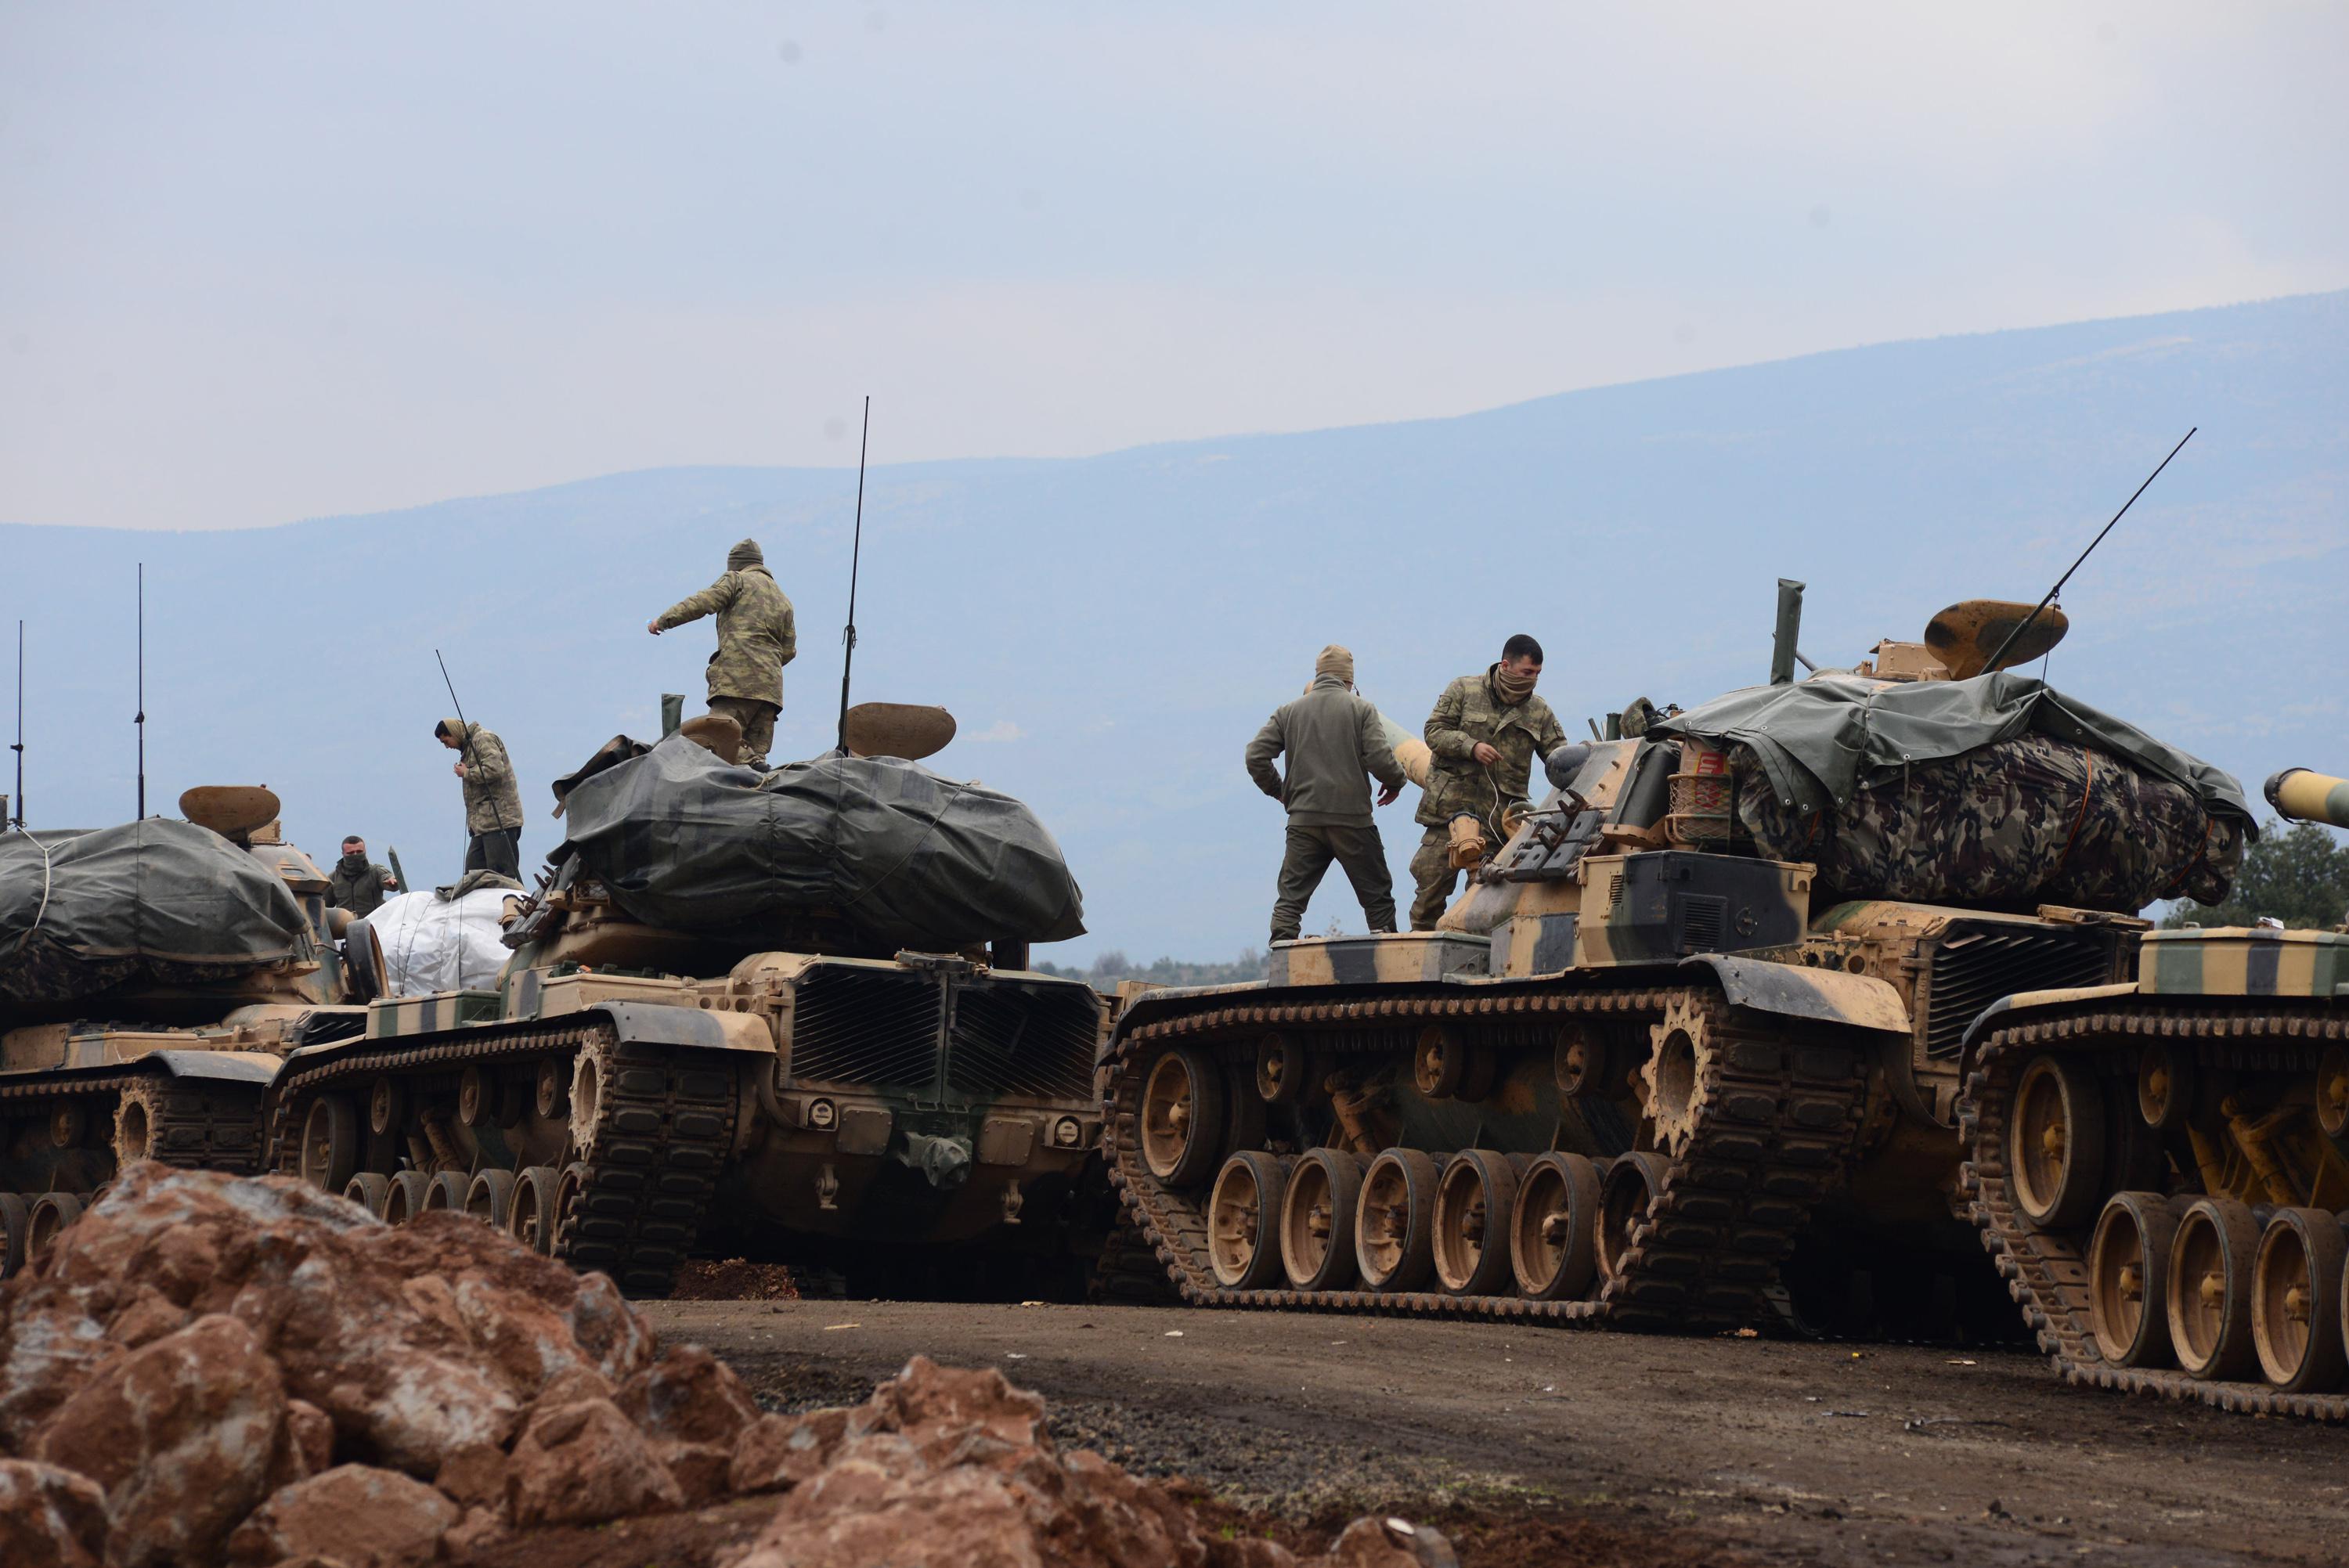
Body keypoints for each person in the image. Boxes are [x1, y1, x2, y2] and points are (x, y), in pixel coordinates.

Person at [1244, 644, 1407, 943]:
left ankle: (1282, 955)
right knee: (1377, 899)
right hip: (1353, 821)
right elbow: (1380, 758)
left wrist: (1280, 791)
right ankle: (1386, 956)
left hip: (1303, 821)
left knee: (1290, 900)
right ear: (1350, 680)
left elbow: (1255, 756)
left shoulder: (1288, 712)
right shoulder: (1362, 709)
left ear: (1318, 675)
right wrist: (1396, 781)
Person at [1409, 633, 1567, 930]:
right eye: (1527, 672)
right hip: (1448, 816)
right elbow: (1434, 732)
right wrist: (1470, 747)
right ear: (1506, 665)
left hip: (1497, 825)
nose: (1533, 680)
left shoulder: (1539, 712)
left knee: (1485, 905)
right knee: (1429, 896)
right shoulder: (1463, 690)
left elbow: (1559, 758)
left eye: (1537, 674)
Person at [647, 537, 796, 770]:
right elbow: (789, 649)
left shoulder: (736, 580)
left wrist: (664, 621)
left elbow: (703, 602)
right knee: (755, 762)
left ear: (736, 564)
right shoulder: (782, 599)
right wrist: (764, 665)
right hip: (769, 691)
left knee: (716, 742)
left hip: (736, 683)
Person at [434, 718, 524, 878]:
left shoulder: (483, 739)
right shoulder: (468, 748)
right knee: (473, 876)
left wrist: (467, 773)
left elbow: (495, 770)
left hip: (499, 821)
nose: (447, 747)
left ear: (454, 733)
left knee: (501, 877)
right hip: (482, 825)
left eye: (446, 741)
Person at [325, 835, 396, 917]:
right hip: (345, 923)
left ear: (365, 851)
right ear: (343, 854)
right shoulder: (334, 878)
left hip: (374, 922)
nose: (355, 855)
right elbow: (324, 904)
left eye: (359, 852)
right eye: (351, 853)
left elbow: (386, 877)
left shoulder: (375, 872)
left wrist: (392, 882)